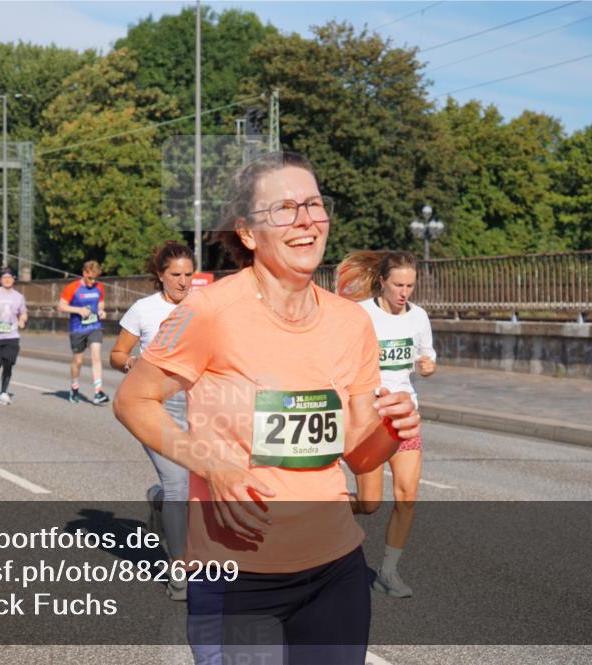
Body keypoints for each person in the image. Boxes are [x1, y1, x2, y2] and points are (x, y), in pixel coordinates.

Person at [113, 152, 420, 664]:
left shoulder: (350, 324)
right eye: (283, 208)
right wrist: (210, 464)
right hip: (237, 574)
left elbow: (358, 458)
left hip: (334, 568)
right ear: (248, 233)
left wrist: (394, 429)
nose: (305, 220)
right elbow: (132, 401)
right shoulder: (208, 312)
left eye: (314, 204)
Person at [338, 250, 436, 599]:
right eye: (398, 284)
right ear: (382, 281)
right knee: (369, 504)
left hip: (404, 419)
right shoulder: (361, 314)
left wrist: (428, 366)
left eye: (410, 285)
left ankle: (388, 572)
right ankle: (321, 502)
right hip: (370, 418)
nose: (404, 292)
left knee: (407, 497)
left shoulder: (419, 317)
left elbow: (428, 355)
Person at [109, 241, 195, 601]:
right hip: (153, 406)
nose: (183, 282)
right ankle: (179, 572)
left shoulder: (202, 308)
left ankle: (158, 500)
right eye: (175, 275)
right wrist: (133, 365)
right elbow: (117, 354)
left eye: (189, 275)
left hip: (200, 408)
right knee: (179, 484)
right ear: (160, 275)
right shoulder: (144, 310)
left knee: (200, 486)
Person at [58, 260, 109, 405]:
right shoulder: (72, 287)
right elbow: (61, 306)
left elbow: (100, 302)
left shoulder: (99, 287)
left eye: (95, 278)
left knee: (96, 355)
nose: (93, 281)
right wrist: (78, 310)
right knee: (78, 361)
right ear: (84, 273)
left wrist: (101, 311)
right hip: (77, 329)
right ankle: (74, 387)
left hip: (94, 327)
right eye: (90, 278)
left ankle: (98, 392)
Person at [0, 266, 28, 405]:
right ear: (0, 279)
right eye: (4, 277)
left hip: (12, 335)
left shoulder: (19, 296)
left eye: (10, 277)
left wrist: (22, 320)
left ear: (14, 279)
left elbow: (23, 312)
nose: (7, 280)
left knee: (8, 364)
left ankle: (3, 392)